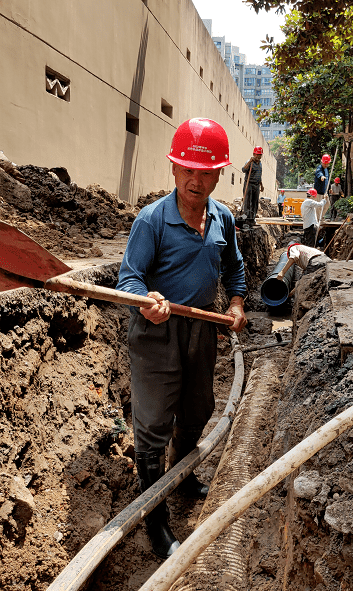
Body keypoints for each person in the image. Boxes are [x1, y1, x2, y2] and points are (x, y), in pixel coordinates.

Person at [116, 118, 248, 559]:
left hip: (203, 327)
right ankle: (156, 520)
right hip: (157, 332)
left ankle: (184, 472)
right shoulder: (152, 221)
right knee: (153, 424)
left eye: (205, 172)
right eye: (187, 170)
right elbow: (128, 278)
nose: (196, 180)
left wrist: (236, 304)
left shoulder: (223, 218)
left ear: (218, 175)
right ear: (174, 170)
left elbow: (235, 268)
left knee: (198, 410)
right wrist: (144, 301)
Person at [241, 146, 265, 228]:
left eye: (260, 155)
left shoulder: (260, 164)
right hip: (249, 184)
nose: (259, 157)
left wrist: (261, 185)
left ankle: (252, 219)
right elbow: (244, 170)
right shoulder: (250, 162)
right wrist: (250, 161)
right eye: (257, 155)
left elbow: (259, 175)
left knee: (255, 203)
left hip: (257, 185)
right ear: (254, 154)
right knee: (247, 202)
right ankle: (246, 220)